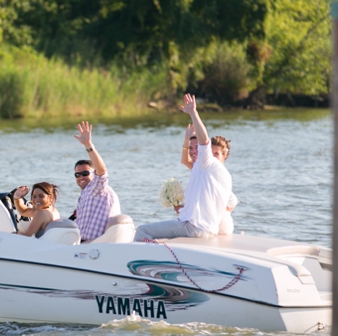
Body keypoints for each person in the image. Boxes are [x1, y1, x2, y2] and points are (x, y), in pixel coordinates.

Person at [134, 94, 232, 241]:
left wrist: (193, 113)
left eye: (196, 148)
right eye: (190, 148)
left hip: (194, 228)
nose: (193, 151)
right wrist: (187, 139)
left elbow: (204, 140)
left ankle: (154, 259)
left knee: (141, 231)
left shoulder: (207, 163)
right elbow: (185, 160)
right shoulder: (209, 171)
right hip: (205, 229)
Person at [180, 123, 238, 235]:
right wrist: (186, 139)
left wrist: (216, 212)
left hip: (217, 226)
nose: (212, 156)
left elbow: (232, 203)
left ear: (224, 155)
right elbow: (185, 161)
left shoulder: (220, 175)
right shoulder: (203, 168)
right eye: (211, 153)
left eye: (216, 153)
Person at [69, 121, 122, 243]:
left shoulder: (97, 187)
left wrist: (88, 145)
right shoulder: (85, 193)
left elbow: (102, 171)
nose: (81, 177)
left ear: (94, 174)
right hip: (82, 243)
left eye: (85, 173)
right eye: (78, 174)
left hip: (93, 245)